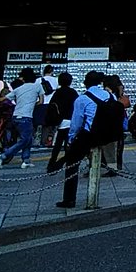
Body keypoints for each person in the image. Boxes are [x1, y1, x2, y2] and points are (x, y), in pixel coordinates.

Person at [57, 72, 113, 209]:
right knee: (96, 160)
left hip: (89, 135)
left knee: (71, 163)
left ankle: (69, 199)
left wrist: (71, 139)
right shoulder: (109, 95)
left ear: (85, 83)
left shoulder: (82, 99)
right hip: (107, 135)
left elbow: (76, 123)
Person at [0, 68, 42, 168]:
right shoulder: (37, 86)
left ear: (23, 79)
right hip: (26, 116)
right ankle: (3, 156)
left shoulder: (18, 89)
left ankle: (26, 160)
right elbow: (41, 101)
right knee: (25, 140)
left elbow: (4, 98)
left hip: (15, 116)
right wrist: (32, 105)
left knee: (27, 139)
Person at [46, 72, 78, 172]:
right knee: (69, 145)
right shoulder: (73, 92)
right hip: (71, 121)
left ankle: (51, 164)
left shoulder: (57, 93)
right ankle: (67, 163)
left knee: (58, 145)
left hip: (60, 121)